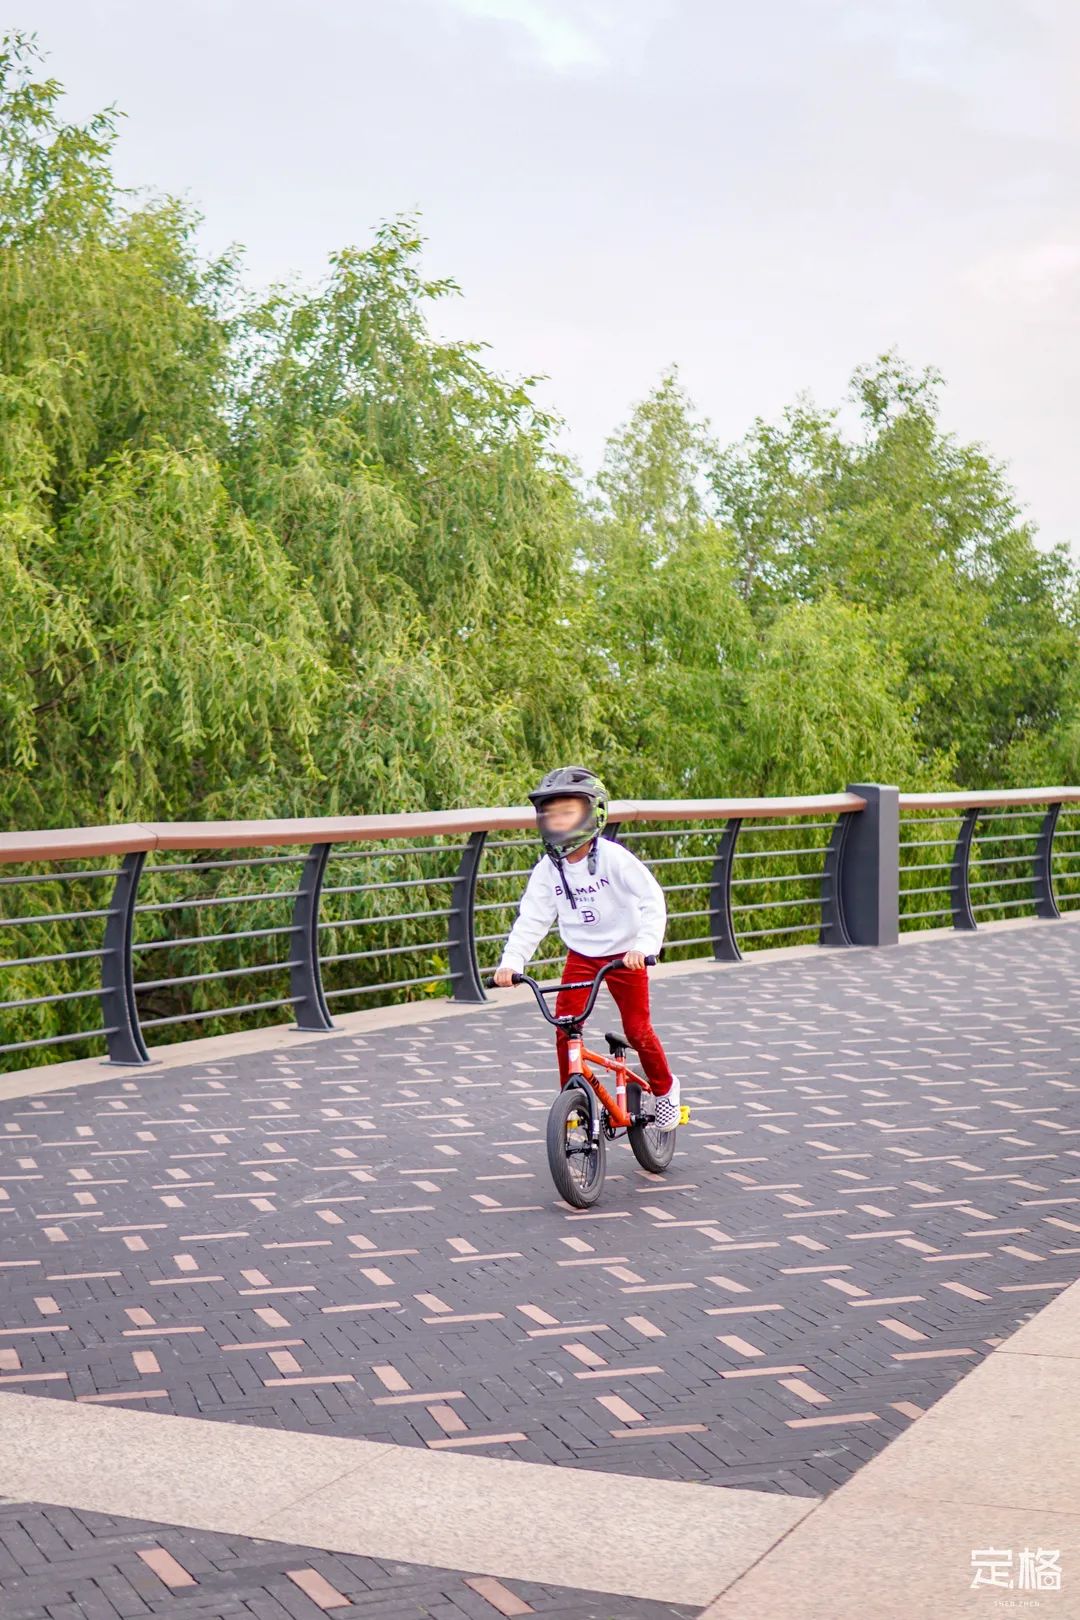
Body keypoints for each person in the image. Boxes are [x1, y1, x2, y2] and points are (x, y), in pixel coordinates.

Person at [492, 766, 681, 1130]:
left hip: (626, 955)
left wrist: (644, 945)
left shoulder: (613, 858)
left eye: (568, 812)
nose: (559, 821)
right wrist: (511, 962)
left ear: (592, 813)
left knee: (638, 1028)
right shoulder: (549, 869)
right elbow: (532, 919)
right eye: (552, 814)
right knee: (565, 1026)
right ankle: (574, 1096)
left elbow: (651, 899)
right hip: (582, 955)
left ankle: (665, 1088)